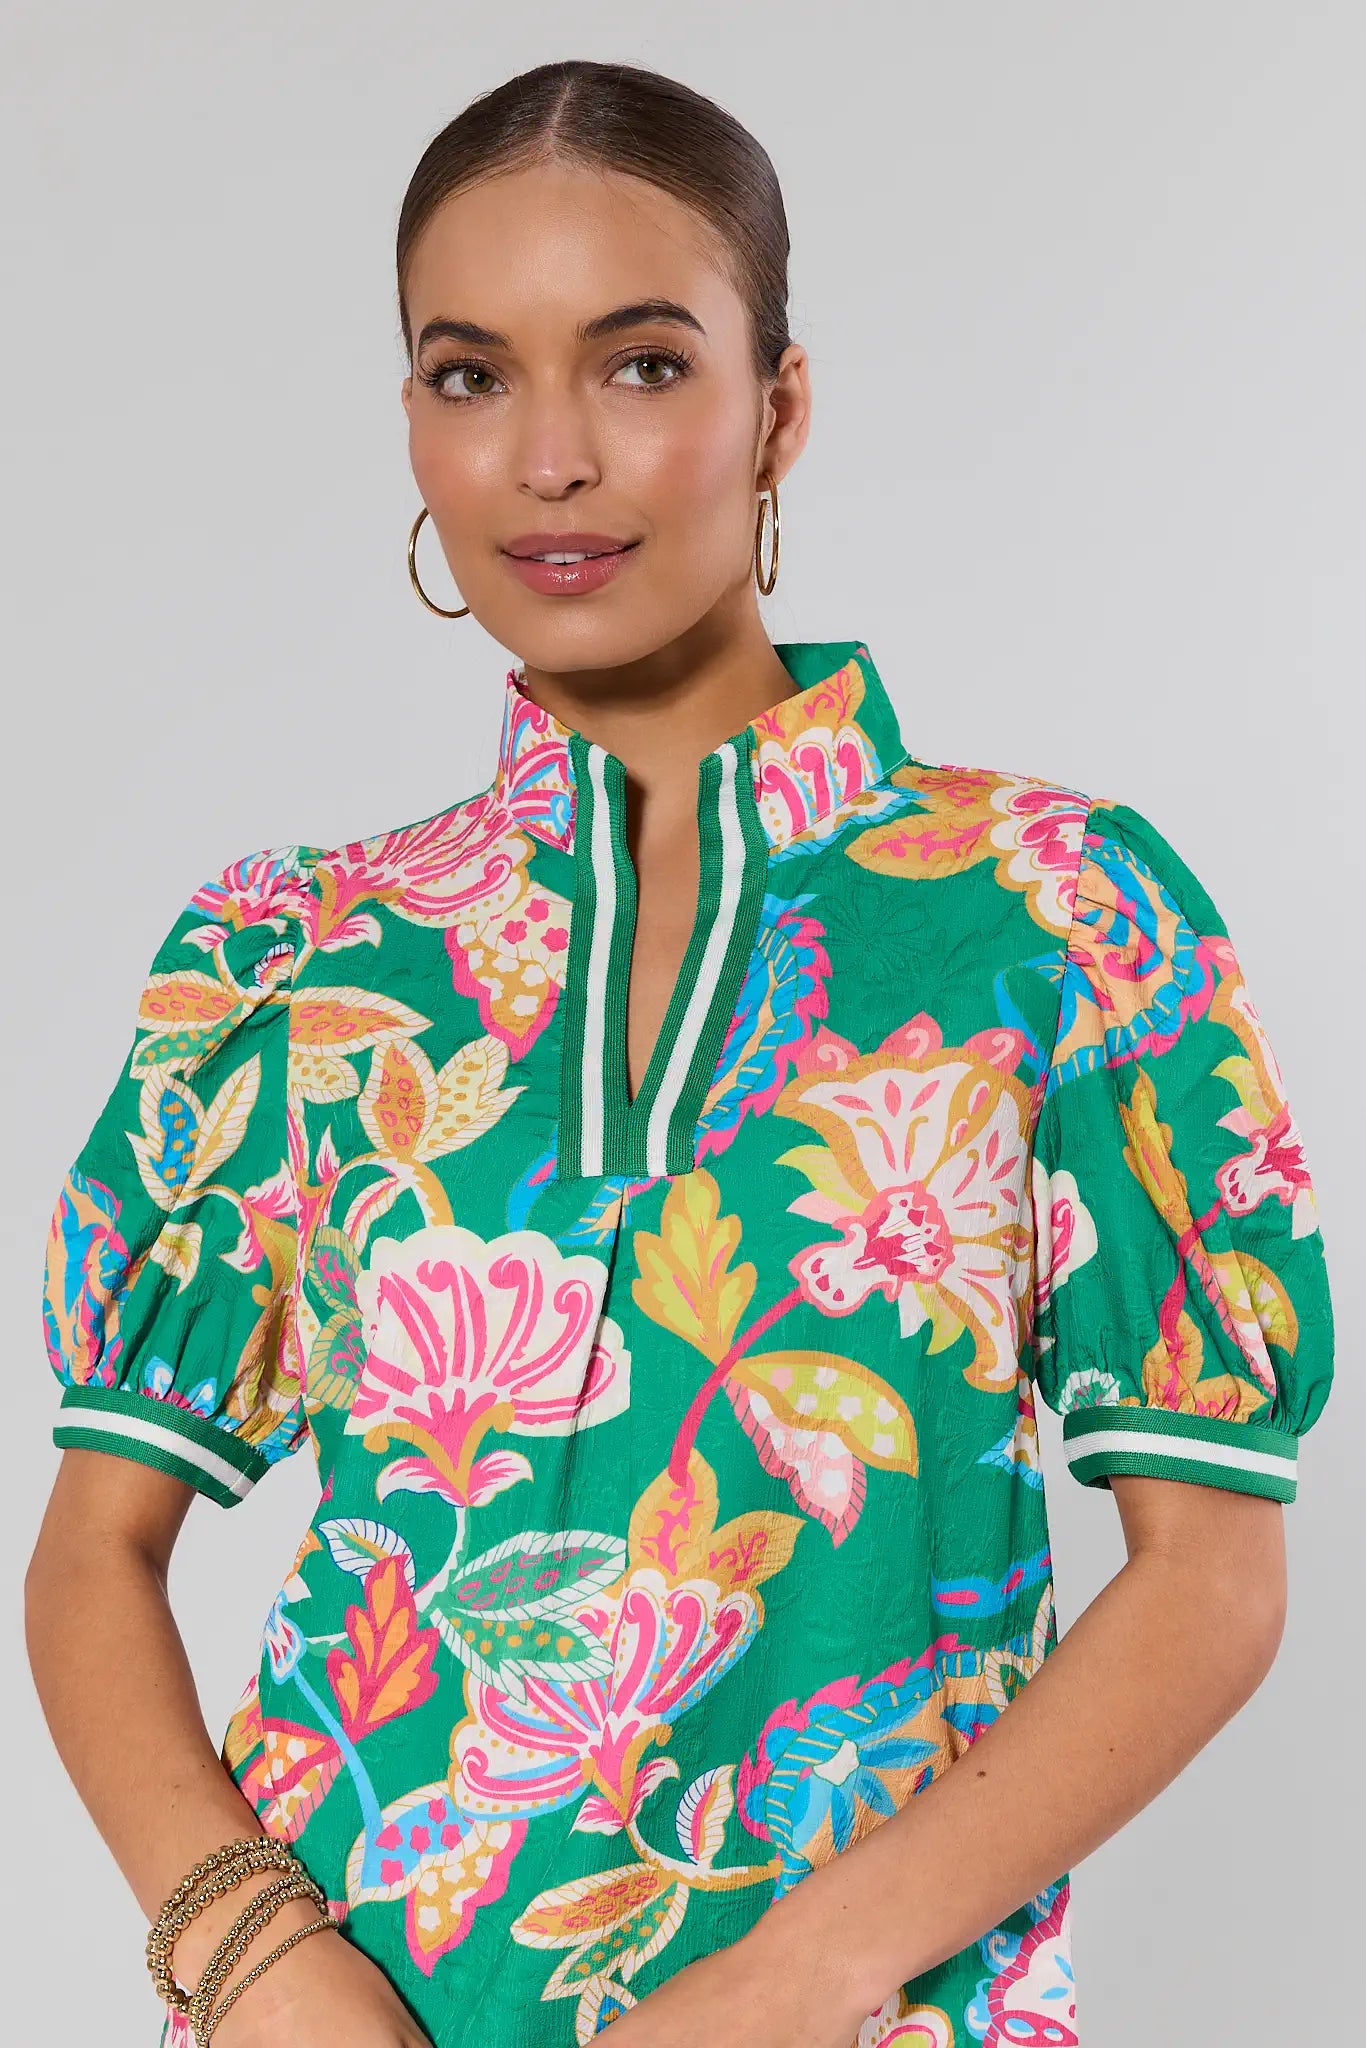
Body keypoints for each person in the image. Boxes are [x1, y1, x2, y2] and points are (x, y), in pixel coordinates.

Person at [25, 56, 1335, 2048]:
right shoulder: (287, 958)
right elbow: (96, 1553)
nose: (551, 458)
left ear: (776, 407)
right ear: (410, 424)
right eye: (471, 375)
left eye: (638, 366)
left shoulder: (1059, 910)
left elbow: (1207, 1578)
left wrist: (803, 1973)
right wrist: (251, 1954)